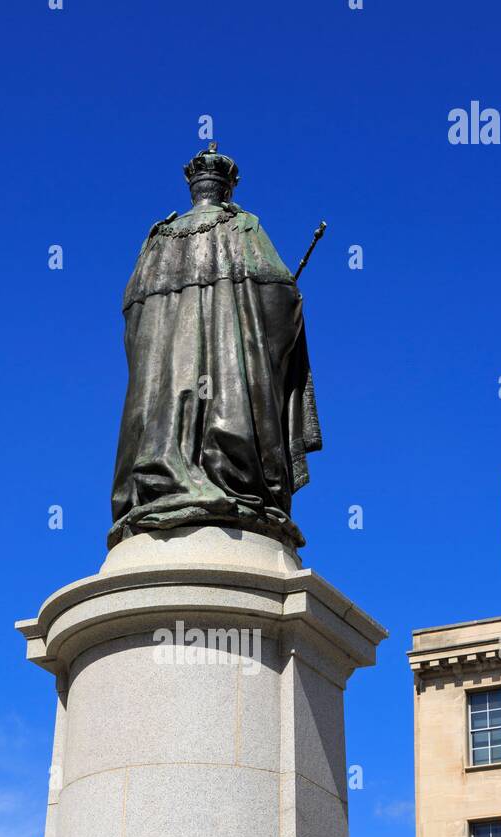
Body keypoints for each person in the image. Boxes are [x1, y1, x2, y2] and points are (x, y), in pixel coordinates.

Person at [110, 143, 322, 551]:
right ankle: (222, 473)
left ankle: (164, 467)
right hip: (229, 399)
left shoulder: (158, 239)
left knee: (166, 398)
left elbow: (133, 317)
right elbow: (279, 303)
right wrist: (294, 299)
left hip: (161, 394)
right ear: (228, 190)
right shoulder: (243, 228)